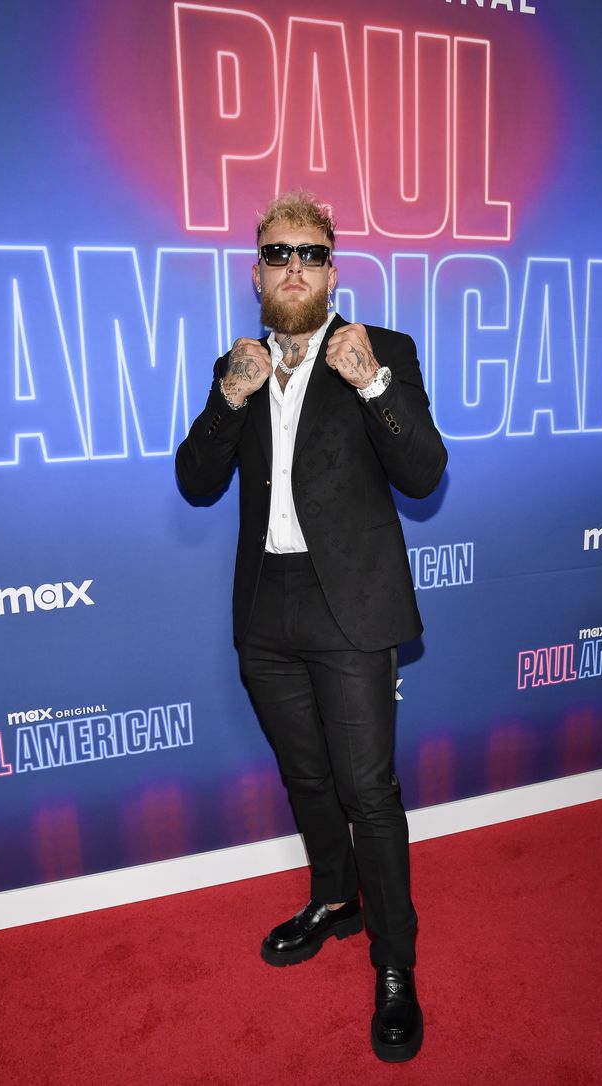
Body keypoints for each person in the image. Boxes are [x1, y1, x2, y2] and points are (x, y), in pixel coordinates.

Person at [175, 191, 447, 1062]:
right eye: (279, 254)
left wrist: (372, 384)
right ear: (256, 273)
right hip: (267, 606)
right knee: (306, 775)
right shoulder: (238, 362)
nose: (295, 267)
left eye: (312, 254)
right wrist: (228, 397)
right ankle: (335, 898)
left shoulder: (381, 351)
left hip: (351, 603)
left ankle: (396, 964)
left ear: (334, 272)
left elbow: (425, 469)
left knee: (370, 791)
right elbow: (194, 478)